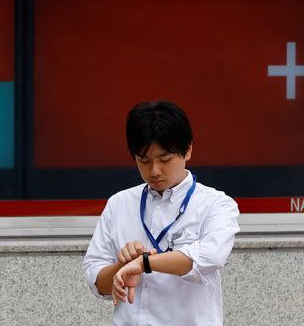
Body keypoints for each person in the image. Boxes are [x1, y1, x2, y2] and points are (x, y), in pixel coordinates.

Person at [82, 100, 240, 326]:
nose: (154, 171)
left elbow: (210, 257)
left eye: (165, 159)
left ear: (188, 150)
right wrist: (123, 267)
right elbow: (96, 280)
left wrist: (145, 263)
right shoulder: (119, 204)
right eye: (144, 161)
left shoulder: (216, 204)